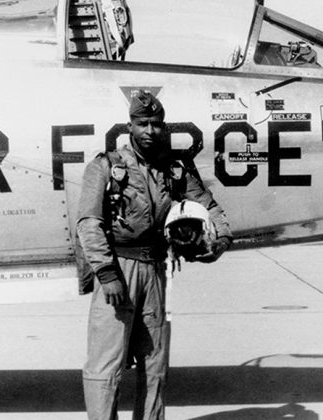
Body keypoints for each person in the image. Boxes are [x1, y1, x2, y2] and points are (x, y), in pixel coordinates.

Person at [76, 91, 233, 420]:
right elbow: (89, 224)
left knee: (154, 364)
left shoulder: (173, 169)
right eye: (143, 123)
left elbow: (209, 206)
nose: (150, 130)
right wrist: (107, 273)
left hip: (155, 270)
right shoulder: (105, 167)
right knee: (106, 365)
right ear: (130, 127)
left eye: (156, 124)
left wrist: (221, 240)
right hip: (118, 269)